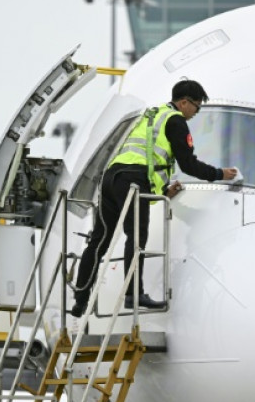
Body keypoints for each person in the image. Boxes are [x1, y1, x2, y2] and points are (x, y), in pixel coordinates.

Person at [70, 80, 239, 317]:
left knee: (99, 241)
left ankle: (80, 299)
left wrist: (160, 193)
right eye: (196, 107)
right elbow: (188, 164)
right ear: (183, 102)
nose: (196, 113)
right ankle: (133, 294)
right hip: (132, 180)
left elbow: (146, 156)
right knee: (137, 236)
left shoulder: (153, 113)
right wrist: (220, 174)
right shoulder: (175, 120)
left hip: (111, 178)